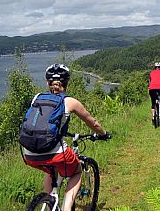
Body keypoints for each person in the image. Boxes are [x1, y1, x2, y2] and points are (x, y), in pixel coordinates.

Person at [22, 63, 110, 211]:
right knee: (76, 171)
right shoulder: (69, 101)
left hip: (28, 153)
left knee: (51, 171)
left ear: (47, 82)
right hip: (55, 152)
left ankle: (49, 202)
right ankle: (66, 208)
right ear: (66, 82)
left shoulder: (37, 98)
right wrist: (104, 134)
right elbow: (93, 123)